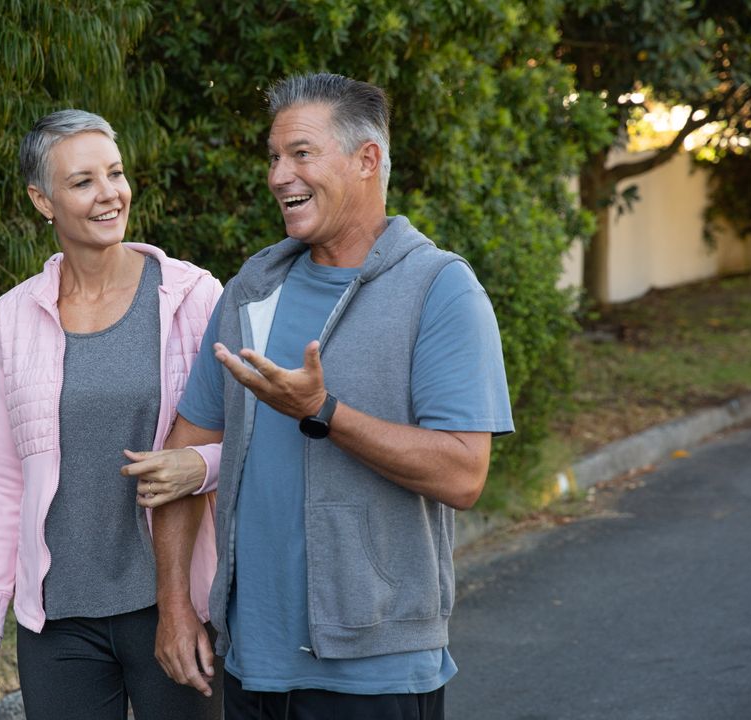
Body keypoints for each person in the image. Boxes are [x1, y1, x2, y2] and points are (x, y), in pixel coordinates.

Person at [147, 73, 514, 719]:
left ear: (367, 159)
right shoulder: (250, 290)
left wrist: (324, 412)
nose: (278, 175)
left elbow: (464, 473)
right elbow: (181, 458)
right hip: (250, 665)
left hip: (378, 672)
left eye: (301, 154)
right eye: (273, 157)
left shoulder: (440, 289)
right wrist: (176, 605)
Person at [0, 109, 222, 720]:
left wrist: (199, 465)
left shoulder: (193, 297)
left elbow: (253, 441)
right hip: (59, 620)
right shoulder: (14, 317)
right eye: (82, 182)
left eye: (116, 173)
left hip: (174, 604)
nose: (110, 194)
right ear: (42, 201)